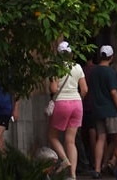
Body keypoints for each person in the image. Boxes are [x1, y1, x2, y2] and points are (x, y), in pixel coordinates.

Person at [47, 41, 88, 180]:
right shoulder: (77, 66)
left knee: (53, 136)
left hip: (61, 103)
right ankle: (73, 175)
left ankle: (65, 160)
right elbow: (84, 89)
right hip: (77, 103)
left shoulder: (55, 68)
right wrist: (77, 97)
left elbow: (53, 89)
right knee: (71, 141)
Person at [87, 45, 117, 177]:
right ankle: (111, 162)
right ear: (111, 57)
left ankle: (98, 168)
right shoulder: (110, 72)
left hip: (97, 109)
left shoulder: (93, 72)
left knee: (101, 138)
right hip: (110, 110)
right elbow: (114, 92)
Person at [0, 77, 18, 153]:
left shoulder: (9, 72)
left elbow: (17, 90)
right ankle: (3, 160)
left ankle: (3, 160)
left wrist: (16, 108)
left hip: (5, 108)